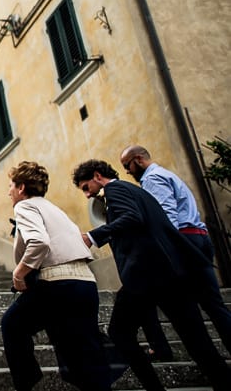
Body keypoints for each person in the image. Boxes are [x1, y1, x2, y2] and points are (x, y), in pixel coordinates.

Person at [72, 159, 231, 391]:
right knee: (196, 338)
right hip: (170, 273)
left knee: (119, 332)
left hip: (146, 275)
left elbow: (132, 218)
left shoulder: (115, 189)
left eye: (86, 187)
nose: (87, 195)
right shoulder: (136, 189)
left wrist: (93, 236)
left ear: (97, 176)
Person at [0, 161, 111, 391]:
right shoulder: (55, 209)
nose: (8, 191)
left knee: (12, 324)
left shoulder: (24, 206)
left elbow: (39, 242)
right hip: (85, 283)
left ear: (21, 188)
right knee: (83, 353)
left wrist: (19, 274)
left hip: (57, 284)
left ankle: (26, 383)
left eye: (10, 185)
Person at [120, 144, 231, 355]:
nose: (127, 171)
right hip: (199, 238)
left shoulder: (152, 179)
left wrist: (164, 252)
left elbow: (166, 218)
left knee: (193, 310)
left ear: (139, 159)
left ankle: (207, 358)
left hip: (184, 241)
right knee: (214, 305)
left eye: (128, 165)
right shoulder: (166, 174)